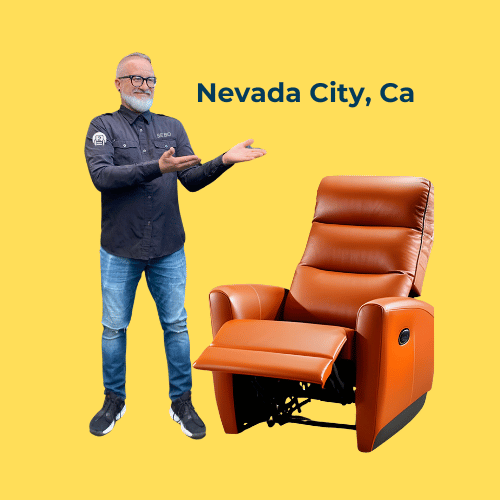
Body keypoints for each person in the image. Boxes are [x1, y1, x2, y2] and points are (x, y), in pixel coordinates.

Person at [84, 52, 266, 439]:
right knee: (114, 328)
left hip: (168, 247)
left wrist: (225, 160)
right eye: (136, 79)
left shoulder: (171, 126)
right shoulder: (102, 127)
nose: (145, 86)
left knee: (177, 325)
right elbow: (102, 177)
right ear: (118, 83)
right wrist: (156, 168)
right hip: (120, 249)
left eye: (151, 79)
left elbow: (192, 179)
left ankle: (181, 401)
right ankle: (114, 399)